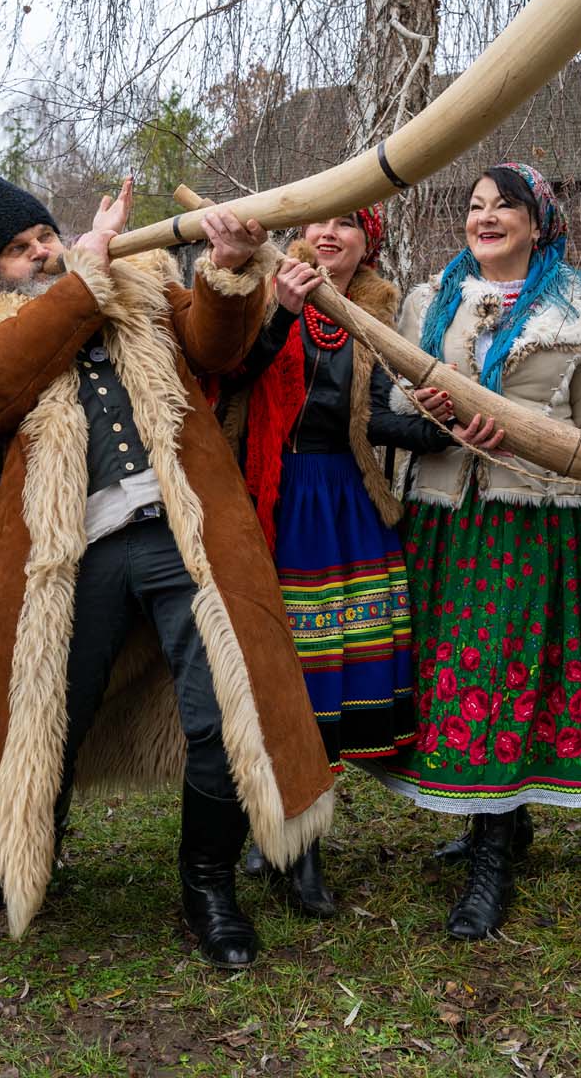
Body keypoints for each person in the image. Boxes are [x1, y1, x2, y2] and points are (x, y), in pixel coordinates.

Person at [0, 168, 334, 967]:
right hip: (67, 555)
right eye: (19, 250)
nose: (41, 253)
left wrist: (226, 269)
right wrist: (83, 279)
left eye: (45, 236)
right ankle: (29, 841)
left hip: (184, 529)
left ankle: (208, 889)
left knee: (224, 710)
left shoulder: (144, 281)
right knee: (50, 711)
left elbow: (217, 347)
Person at [375, 162, 581, 940]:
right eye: (475, 206)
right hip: (445, 515)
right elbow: (397, 402)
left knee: (504, 675)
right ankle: (494, 823)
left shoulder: (577, 308)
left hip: (529, 520)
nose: (486, 217)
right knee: (452, 675)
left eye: (504, 205)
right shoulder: (432, 301)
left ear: (538, 223)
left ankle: (491, 862)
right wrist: (430, 411)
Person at [220, 207, 459, 918]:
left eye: (347, 225)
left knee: (330, 675)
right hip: (275, 495)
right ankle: (281, 831)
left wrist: (441, 425)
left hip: (346, 502)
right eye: (319, 222)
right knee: (283, 674)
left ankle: (301, 840)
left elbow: (373, 418)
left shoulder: (377, 314)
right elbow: (233, 375)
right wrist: (281, 315)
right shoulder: (268, 285)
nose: (330, 234)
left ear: (368, 243)